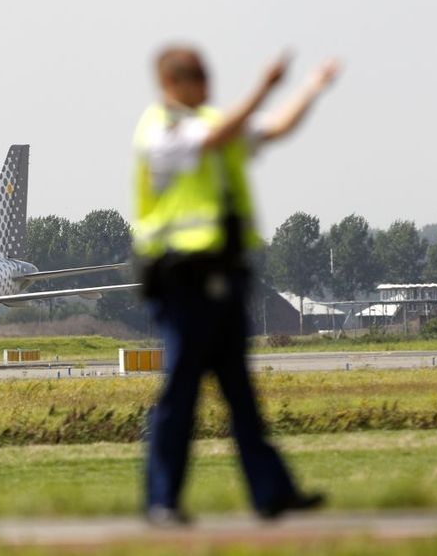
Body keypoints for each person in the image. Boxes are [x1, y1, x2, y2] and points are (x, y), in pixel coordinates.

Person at [132, 45, 340, 524]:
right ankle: (161, 500)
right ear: (170, 83)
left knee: (242, 395)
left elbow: (275, 127)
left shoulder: (212, 125)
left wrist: (311, 88)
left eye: (205, 75)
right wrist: (265, 87)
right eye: (194, 77)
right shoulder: (161, 129)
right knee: (179, 394)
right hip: (181, 281)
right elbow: (216, 136)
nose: (205, 84)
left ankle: (272, 494)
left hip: (224, 281)